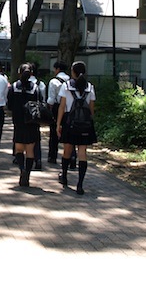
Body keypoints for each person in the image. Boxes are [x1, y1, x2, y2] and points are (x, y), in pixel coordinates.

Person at [55, 61, 96, 195]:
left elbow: (62, 106)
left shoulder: (66, 86)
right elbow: (91, 109)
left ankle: (65, 176)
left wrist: (58, 124)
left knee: (67, 150)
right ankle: (80, 184)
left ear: (72, 72)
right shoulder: (90, 87)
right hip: (84, 124)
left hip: (69, 121)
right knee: (82, 153)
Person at [7, 63, 41, 187]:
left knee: (19, 148)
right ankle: (28, 173)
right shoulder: (35, 88)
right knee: (30, 150)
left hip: (18, 121)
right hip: (32, 122)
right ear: (31, 73)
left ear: (19, 73)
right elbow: (39, 104)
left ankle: (22, 169)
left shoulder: (14, 86)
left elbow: (9, 104)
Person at [46, 61, 70, 164]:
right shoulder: (70, 81)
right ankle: (71, 158)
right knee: (69, 133)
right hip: (69, 108)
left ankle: (52, 156)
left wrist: (49, 109)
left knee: (54, 133)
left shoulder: (53, 82)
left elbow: (51, 99)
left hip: (56, 107)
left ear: (58, 69)